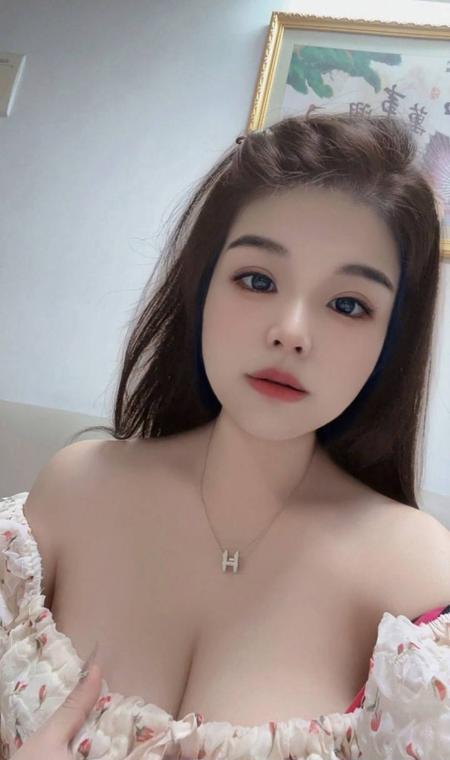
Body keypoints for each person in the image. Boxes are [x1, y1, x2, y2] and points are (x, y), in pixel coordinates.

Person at [1, 111, 450, 760]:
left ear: (391, 341)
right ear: (202, 287)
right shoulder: (74, 491)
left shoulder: (418, 578)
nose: (291, 331)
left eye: (349, 304)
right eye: (257, 280)